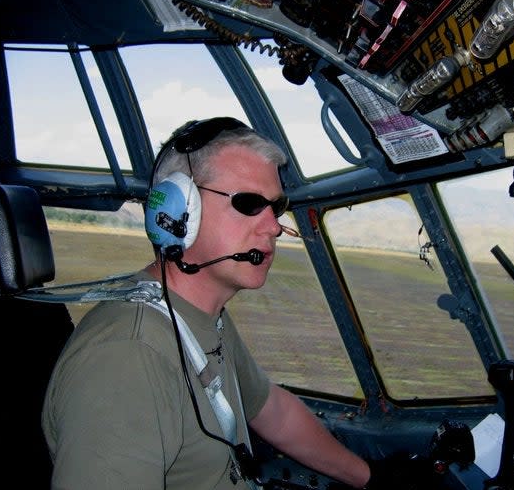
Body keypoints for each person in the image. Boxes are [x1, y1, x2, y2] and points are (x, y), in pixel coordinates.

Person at [41, 117, 373, 489]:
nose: (274, 227)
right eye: (249, 203)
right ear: (178, 212)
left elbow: (271, 410)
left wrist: (371, 479)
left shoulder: (201, 316)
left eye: (276, 208)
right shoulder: (128, 357)